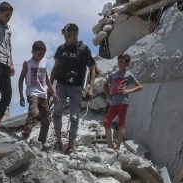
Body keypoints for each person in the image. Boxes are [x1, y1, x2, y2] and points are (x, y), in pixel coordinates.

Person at [51, 23, 96, 153]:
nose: (66, 37)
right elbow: (55, 67)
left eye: (69, 35)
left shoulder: (84, 49)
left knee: (74, 117)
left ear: (75, 34)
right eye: (65, 35)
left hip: (76, 88)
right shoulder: (61, 49)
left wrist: (91, 88)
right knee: (56, 112)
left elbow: (92, 69)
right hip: (61, 86)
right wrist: (49, 86)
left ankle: (70, 146)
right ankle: (58, 142)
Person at [18, 41, 56, 148]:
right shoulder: (27, 63)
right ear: (32, 52)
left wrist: (53, 92)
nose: (41, 56)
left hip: (43, 93)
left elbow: (46, 78)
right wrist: (21, 95)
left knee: (46, 118)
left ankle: (41, 142)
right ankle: (25, 136)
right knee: (33, 113)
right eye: (38, 54)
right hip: (32, 92)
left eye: (43, 54)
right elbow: (20, 80)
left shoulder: (44, 61)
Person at [103, 53, 143, 151]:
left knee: (121, 123)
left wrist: (128, 91)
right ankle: (110, 146)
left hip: (123, 102)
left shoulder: (128, 75)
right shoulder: (113, 74)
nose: (119, 63)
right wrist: (108, 94)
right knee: (106, 121)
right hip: (114, 102)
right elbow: (105, 85)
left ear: (127, 64)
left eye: (122, 62)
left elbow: (140, 86)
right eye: (118, 61)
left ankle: (117, 147)